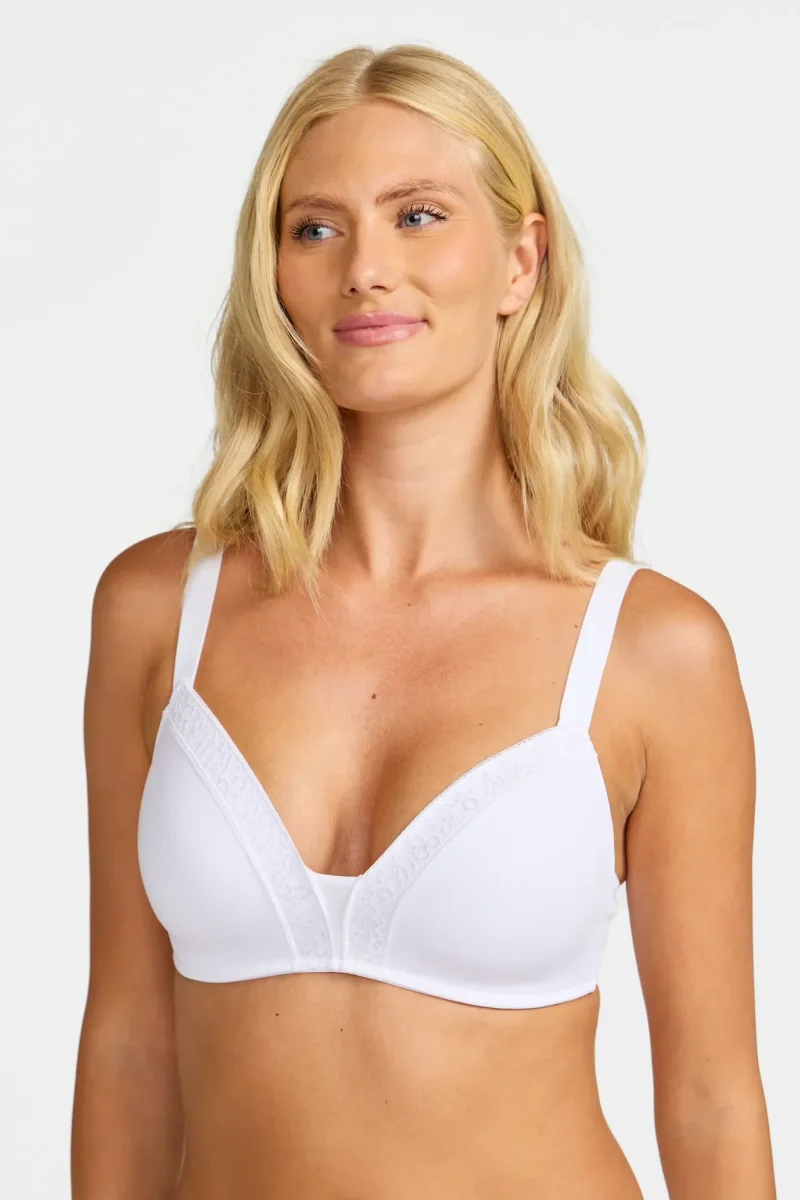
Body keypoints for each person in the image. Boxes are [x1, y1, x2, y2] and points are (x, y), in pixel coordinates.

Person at [71, 42, 776, 1200]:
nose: (364, 269)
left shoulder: (650, 652)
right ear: (274, 272)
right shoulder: (157, 612)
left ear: (519, 260)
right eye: (314, 228)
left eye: (417, 216)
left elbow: (708, 1094)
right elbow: (128, 1046)